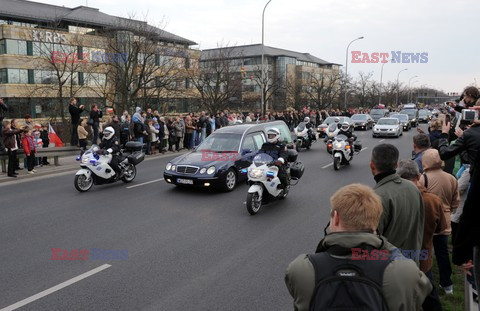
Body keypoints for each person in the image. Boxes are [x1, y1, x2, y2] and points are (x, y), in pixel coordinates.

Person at [285, 184, 432, 311]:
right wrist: (380, 241)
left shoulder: (301, 269)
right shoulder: (404, 272)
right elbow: (421, 292)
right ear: (376, 221)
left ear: (335, 218)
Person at [397, 159, 447, 311]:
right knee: (430, 299)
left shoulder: (394, 199)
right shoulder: (433, 200)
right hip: (423, 259)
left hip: (397, 260)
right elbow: (441, 228)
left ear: (398, 178)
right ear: (419, 176)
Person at [371, 144, 424, 255]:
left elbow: (373, 240)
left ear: (372, 165)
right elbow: (419, 227)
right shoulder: (413, 188)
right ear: (396, 165)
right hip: (412, 263)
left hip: (389, 267)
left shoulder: (376, 197)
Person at [420, 149, 460, 295]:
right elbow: (456, 201)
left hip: (429, 219)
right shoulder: (451, 178)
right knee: (442, 252)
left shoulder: (423, 178)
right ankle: (447, 284)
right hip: (446, 218)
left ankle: (425, 281)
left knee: (426, 250)